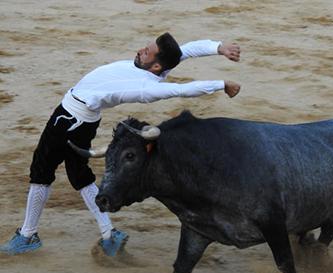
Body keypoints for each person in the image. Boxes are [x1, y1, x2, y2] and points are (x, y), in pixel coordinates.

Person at [0, 32, 241, 256]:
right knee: (79, 174)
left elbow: (182, 90)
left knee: (41, 173)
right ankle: (109, 235)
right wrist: (219, 48)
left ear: (156, 66)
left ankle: (28, 235)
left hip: (68, 120)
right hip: (83, 120)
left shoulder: (146, 89)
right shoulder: (155, 68)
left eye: (146, 52)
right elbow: (186, 50)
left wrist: (221, 84)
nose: (140, 51)